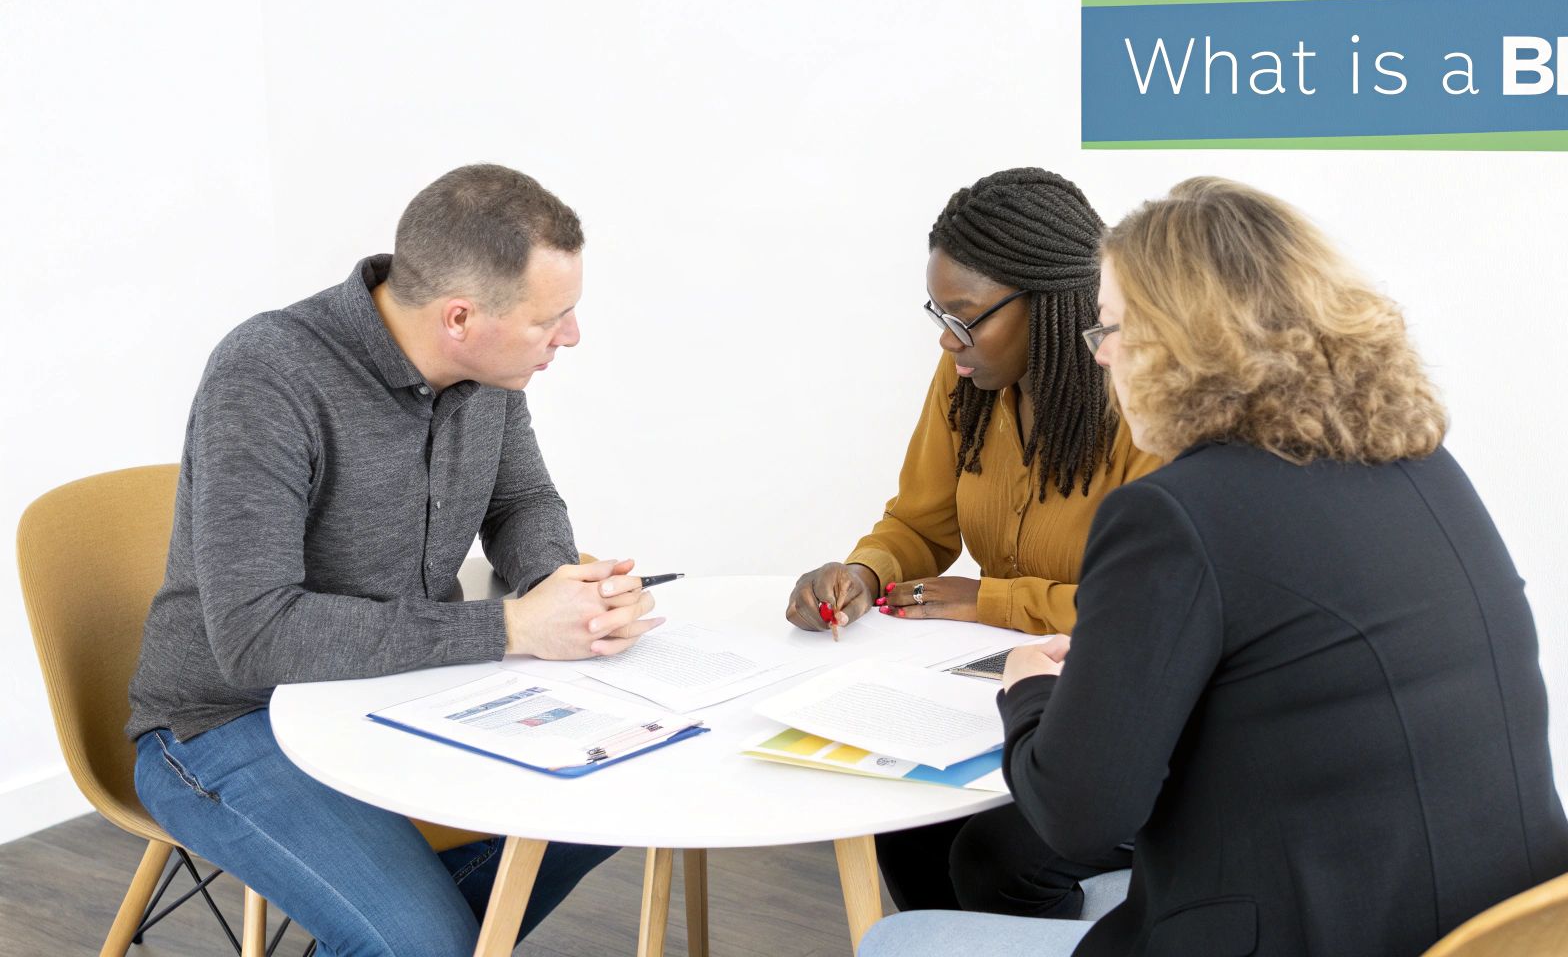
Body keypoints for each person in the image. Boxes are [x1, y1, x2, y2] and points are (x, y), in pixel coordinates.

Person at [861, 176, 1568, 956]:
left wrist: (1028, 686)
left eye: (1108, 329)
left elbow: (1078, 814)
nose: (1100, 357)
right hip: (1509, 923)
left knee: (895, 941)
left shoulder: (1177, 512)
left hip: (1296, 928)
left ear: (1178, 344)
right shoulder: (1421, 462)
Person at [127, 163, 663, 956]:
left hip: (403, 691)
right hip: (229, 718)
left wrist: (559, 585)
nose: (570, 336)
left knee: (625, 788)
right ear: (459, 316)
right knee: (423, 945)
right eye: (554, 317)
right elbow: (254, 637)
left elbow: (522, 504)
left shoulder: (489, 373)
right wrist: (512, 625)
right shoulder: (268, 374)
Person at [784, 168, 1160, 918]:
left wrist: (995, 599)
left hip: (1135, 716)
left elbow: (1149, 613)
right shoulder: (966, 378)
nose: (946, 337)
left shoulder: (1145, 404)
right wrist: (863, 570)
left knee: (995, 858)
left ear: (1049, 306)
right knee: (899, 818)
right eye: (939, 313)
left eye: (965, 316)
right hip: (1015, 693)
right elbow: (921, 524)